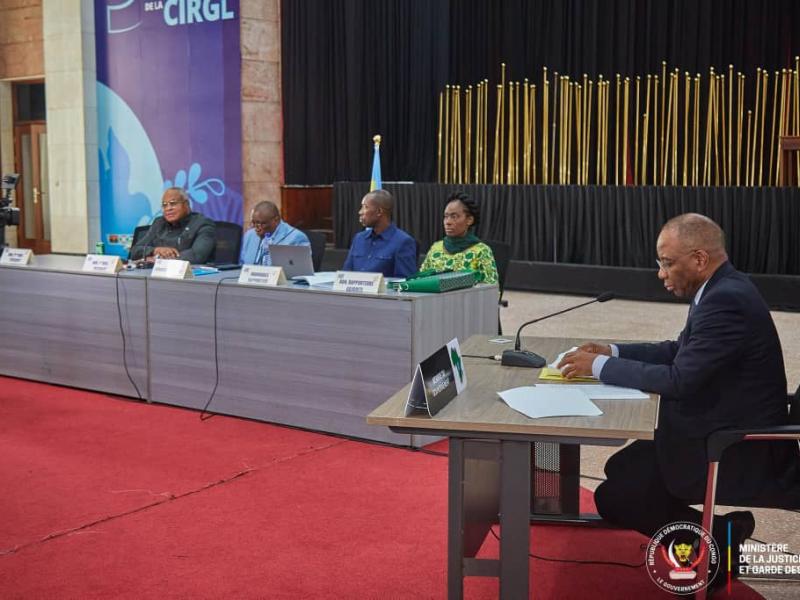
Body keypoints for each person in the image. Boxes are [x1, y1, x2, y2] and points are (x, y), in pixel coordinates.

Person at [557, 213, 799, 566]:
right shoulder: (722, 287)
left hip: (734, 444)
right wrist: (614, 351)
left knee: (618, 495)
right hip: (717, 424)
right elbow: (678, 350)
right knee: (623, 468)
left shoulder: (725, 299)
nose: (661, 273)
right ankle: (722, 533)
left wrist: (597, 367)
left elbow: (679, 380)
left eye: (667, 263)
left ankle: (718, 546)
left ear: (699, 259)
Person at [420, 192, 498, 284]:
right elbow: (421, 281)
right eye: (446, 216)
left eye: (454, 216)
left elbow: (492, 290)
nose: (448, 222)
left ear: (469, 220)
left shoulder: (481, 251)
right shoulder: (436, 248)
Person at [342, 189, 417, 278]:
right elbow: (345, 275)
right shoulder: (359, 238)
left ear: (379, 212)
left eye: (365, 207)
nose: (360, 212)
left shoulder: (403, 242)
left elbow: (405, 283)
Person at [129, 187, 216, 263]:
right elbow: (134, 251)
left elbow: (197, 256)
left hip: (190, 278)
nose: (168, 208)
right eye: (164, 205)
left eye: (173, 203)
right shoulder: (159, 223)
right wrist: (155, 250)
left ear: (186, 204)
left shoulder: (202, 224)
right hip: (157, 275)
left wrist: (158, 260)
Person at [240, 201, 310, 265]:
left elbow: (299, 270)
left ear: (276, 220)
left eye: (262, 224)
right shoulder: (249, 235)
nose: (257, 228)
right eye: (254, 223)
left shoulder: (296, 238)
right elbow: (241, 265)